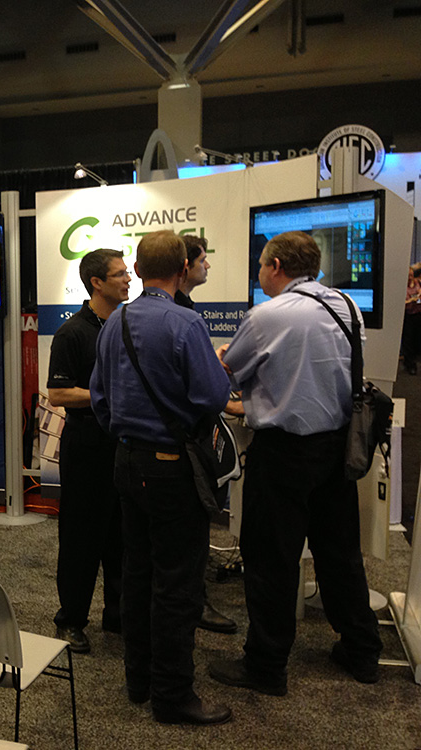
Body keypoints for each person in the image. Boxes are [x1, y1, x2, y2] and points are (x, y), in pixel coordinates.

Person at [209, 230, 383, 694]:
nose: (259, 274)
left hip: (283, 454)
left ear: (277, 266)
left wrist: (224, 358)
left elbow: (230, 373)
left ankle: (266, 666)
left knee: (271, 560)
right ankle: (362, 650)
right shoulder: (346, 305)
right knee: (340, 554)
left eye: (261, 266)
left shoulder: (266, 316)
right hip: (337, 451)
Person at [90, 231, 232, 726]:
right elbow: (214, 396)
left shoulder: (115, 321)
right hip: (171, 468)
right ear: (182, 269)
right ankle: (172, 695)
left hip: (127, 462)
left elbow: (100, 399)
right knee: (177, 584)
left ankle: (140, 681)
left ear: (138, 268)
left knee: (137, 573)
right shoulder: (186, 323)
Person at [47, 248, 129, 654]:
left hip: (123, 444)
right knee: (81, 539)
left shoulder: (126, 325)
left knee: (121, 536)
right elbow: (58, 393)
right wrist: (106, 395)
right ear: (97, 283)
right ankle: (71, 620)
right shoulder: (72, 333)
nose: (128, 280)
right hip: (86, 447)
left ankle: (117, 615)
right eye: (119, 274)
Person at [172, 234, 239, 636]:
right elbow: (206, 392)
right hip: (183, 445)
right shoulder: (183, 317)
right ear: (185, 267)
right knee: (188, 533)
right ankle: (192, 604)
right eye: (202, 260)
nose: (208, 266)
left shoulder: (151, 313)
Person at [401, 263, 421, 375]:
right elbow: (401, 303)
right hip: (407, 315)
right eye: (408, 275)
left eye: (411, 275)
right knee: (408, 341)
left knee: (416, 340)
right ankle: (409, 364)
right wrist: (411, 301)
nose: (410, 277)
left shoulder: (418, 283)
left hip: (418, 314)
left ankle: (414, 361)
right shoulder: (403, 287)